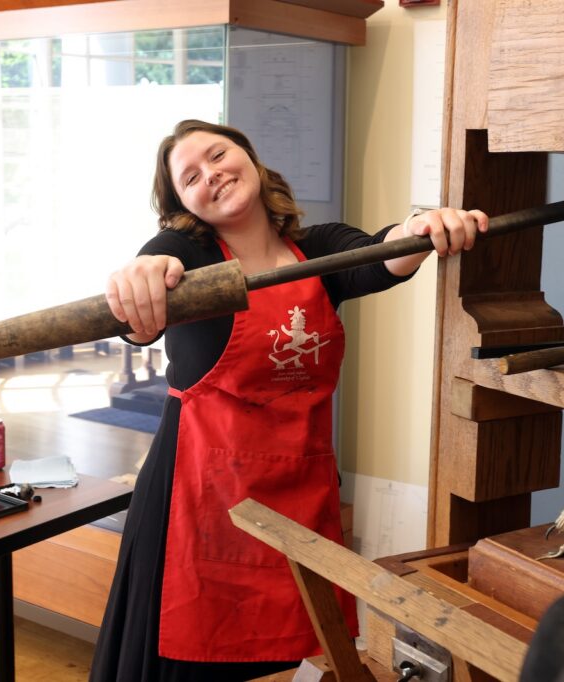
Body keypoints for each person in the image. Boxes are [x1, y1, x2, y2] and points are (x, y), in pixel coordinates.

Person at [89, 119, 487, 682]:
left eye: (218, 154)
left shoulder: (319, 250)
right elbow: (148, 293)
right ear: (183, 204)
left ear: (249, 155)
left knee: (296, 653)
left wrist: (422, 227)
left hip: (298, 492)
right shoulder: (188, 258)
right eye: (191, 176)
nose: (212, 174)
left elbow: (382, 255)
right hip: (201, 496)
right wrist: (143, 274)